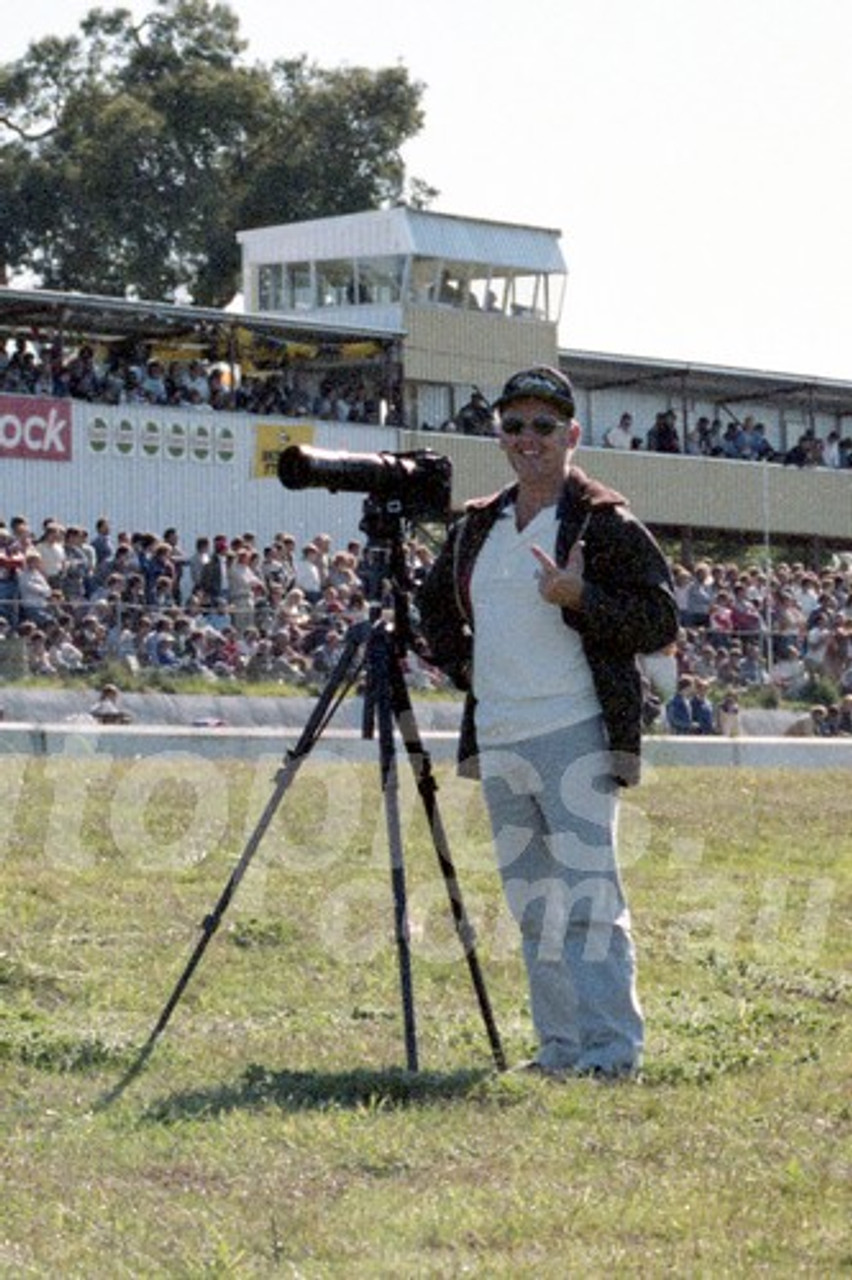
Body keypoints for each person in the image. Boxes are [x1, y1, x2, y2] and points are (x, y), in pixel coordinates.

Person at [417, 365, 678, 1080]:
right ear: (499, 436)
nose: (527, 439)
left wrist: (580, 594)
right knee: (534, 908)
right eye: (513, 426)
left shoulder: (605, 521)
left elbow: (660, 620)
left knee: (591, 903)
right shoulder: (478, 524)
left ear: (572, 435)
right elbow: (433, 608)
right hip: (500, 735)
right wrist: (472, 672)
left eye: (542, 426)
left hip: (576, 730)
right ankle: (560, 1052)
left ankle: (612, 1055)